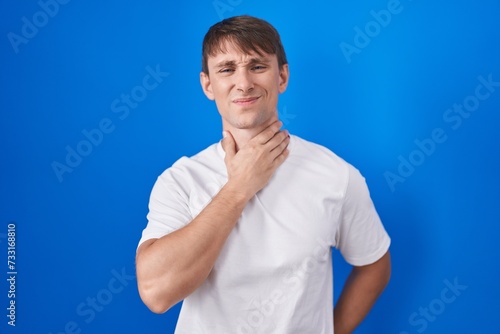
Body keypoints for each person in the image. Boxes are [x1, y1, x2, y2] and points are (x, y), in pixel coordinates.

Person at [136, 15, 391, 334]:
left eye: (257, 66)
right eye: (227, 69)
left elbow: (375, 264)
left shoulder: (336, 175)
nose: (243, 83)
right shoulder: (181, 180)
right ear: (208, 85)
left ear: (282, 76)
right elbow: (157, 294)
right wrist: (239, 188)